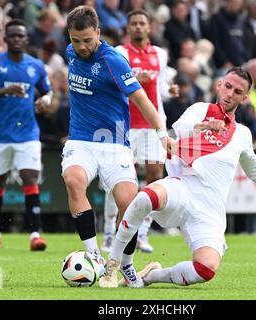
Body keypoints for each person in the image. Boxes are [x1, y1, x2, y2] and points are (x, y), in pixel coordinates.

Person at [99, 67, 256, 288]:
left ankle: (151, 276)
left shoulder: (242, 134)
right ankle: (118, 264)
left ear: (245, 98)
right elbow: (179, 129)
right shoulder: (200, 109)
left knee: (205, 270)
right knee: (143, 198)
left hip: (209, 208)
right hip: (183, 186)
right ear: (219, 85)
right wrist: (204, 126)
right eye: (227, 87)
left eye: (237, 92)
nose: (230, 94)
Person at [62, 6, 172, 287]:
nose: (82, 46)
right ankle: (94, 257)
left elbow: (141, 99)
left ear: (98, 33)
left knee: (129, 203)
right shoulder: (70, 53)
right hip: (81, 139)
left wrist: (162, 134)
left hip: (114, 143)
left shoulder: (114, 60)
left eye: (87, 40)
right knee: (73, 181)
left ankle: (125, 265)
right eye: (76, 40)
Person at [99, 9, 179, 254]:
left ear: (149, 27)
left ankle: (142, 233)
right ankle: (110, 233)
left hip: (154, 125)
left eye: (142, 23)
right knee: (119, 180)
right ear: (128, 28)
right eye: (133, 23)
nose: (137, 27)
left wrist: (170, 90)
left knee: (154, 178)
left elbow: (160, 86)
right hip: (126, 125)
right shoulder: (120, 53)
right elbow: (113, 83)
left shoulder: (160, 54)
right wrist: (134, 76)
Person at [0, 19, 53, 251]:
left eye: (21, 36)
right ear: (5, 39)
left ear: (26, 39)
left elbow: (48, 92)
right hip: (0, 135)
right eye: (13, 36)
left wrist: (45, 101)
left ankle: (34, 235)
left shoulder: (36, 66)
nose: (17, 39)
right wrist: (7, 90)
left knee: (30, 179)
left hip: (28, 134)